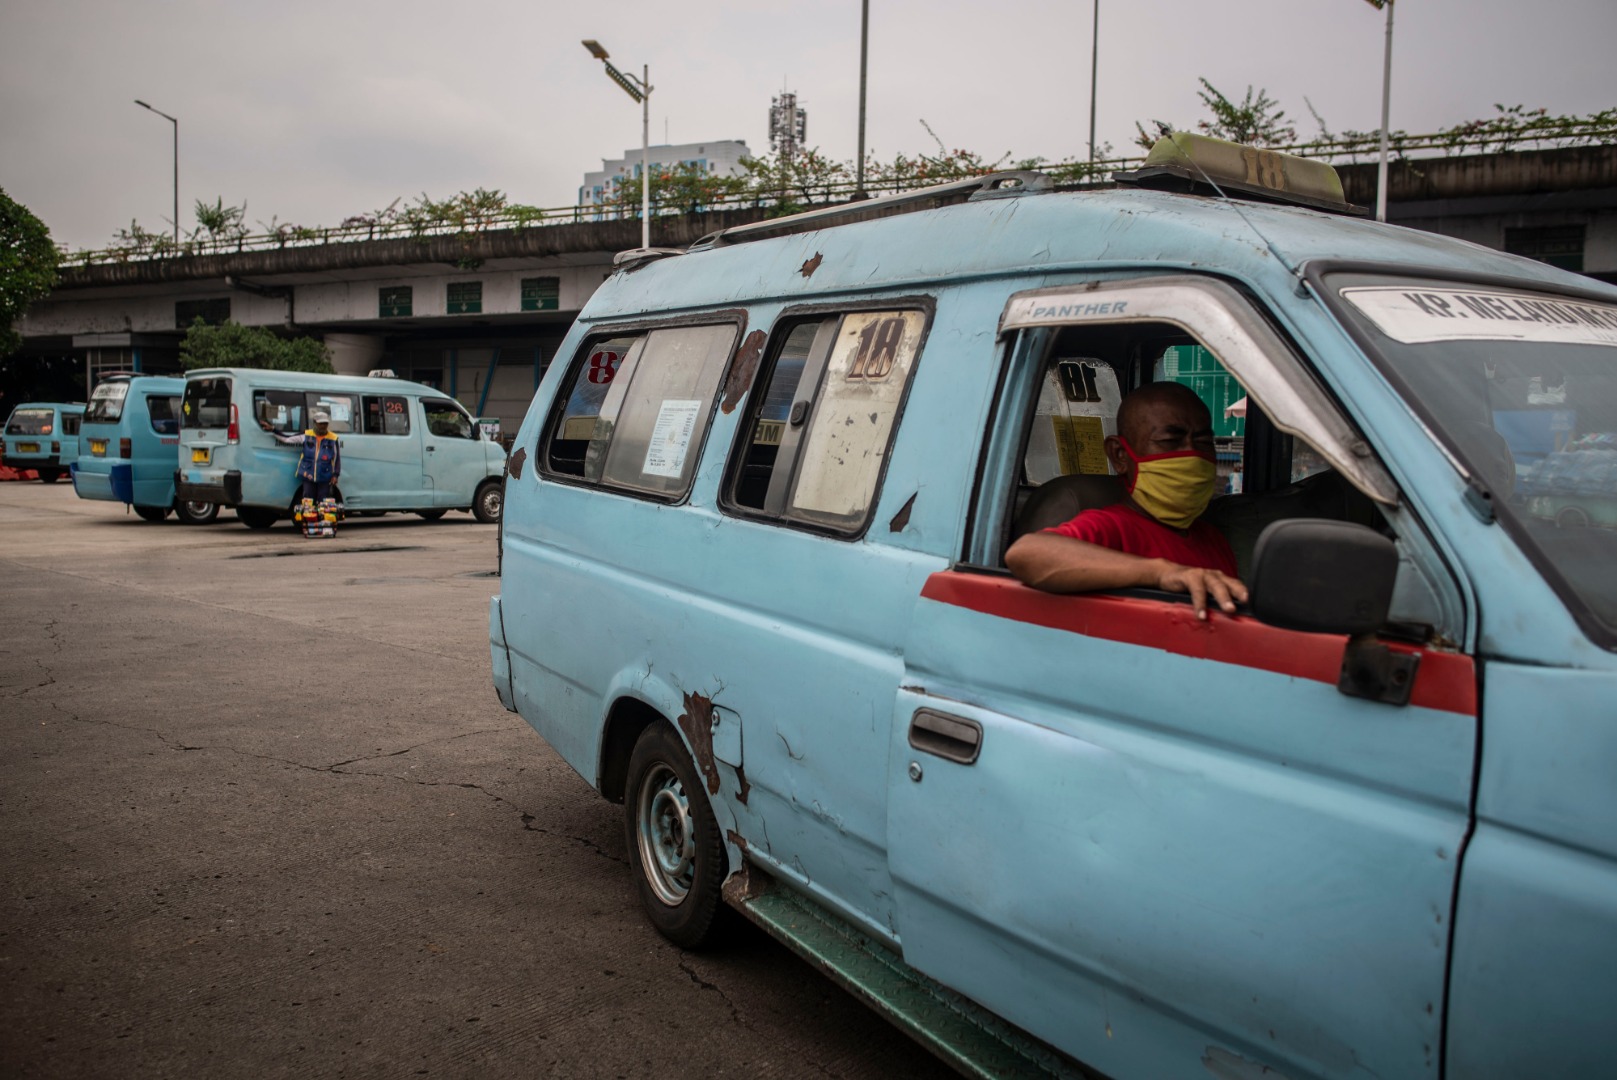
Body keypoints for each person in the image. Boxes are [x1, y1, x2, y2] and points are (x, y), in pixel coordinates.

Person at [1005, 382, 1247, 620]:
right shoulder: (1113, 525)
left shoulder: (1213, 538)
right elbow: (1027, 554)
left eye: (1203, 443)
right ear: (1120, 456)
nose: (1192, 455)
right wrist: (1162, 572)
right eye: (1170, 442)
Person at [269, 410, 342, 504]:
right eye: (321, 424)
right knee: (308, 501)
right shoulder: (306, 435)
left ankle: (323, 519)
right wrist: (273, 429)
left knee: (324, 503)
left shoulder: (333, 438)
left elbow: (336, 458)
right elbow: (287, 439)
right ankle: (309, 518)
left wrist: (335, 475)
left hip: (325, 475)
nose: (323, 426)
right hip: (308, 474)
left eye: (325, 423)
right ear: (314, 423)